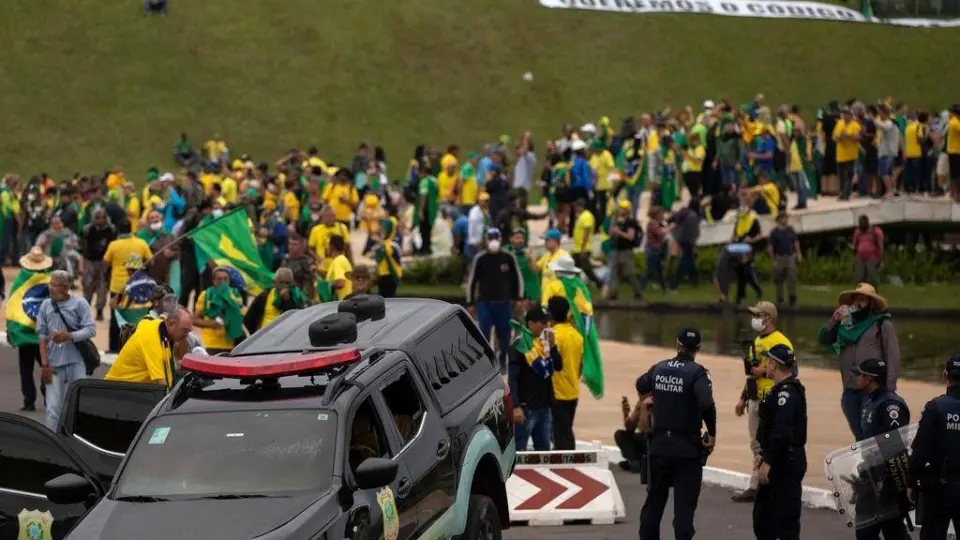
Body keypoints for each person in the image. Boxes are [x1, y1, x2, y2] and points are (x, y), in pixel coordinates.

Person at [636, 326, 716, 540]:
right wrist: (713, 433)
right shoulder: (698, 373)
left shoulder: (659, 368)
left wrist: (648, 403)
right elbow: (707, 404)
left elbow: (641, 383)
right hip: (686, 448)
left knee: (654, 504)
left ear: (677, 344)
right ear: (697, 349)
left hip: (659, 445)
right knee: (684, 509)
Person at [818, 283, 900, 441]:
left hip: (874, 390)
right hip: (850, 388)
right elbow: (824, 338)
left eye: (863, 300)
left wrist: (889, 389)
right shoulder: (844, 324)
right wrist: (834, 320)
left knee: (875, 435)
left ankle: (877, 465)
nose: (858, 303)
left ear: (871, 304)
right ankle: (866, 464)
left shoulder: (881, 324)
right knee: (860, 436)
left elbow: (893, 356)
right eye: (855, 299)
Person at [732, 301, 795, 503]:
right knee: (756, 443)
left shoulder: (780, 341)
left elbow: (792, 370)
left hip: (773, 397)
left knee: (771, 441)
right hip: (755, 398)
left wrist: (765, 371)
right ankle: (757, 482)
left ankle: (767, 482)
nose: (755, 319)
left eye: (758, 315)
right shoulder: (756, 342)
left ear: (768, 317)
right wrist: (743, 398)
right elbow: (751, 373)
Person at [851, 358, 911, 540]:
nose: (856, 379)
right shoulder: (869, 402)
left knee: (886, 532)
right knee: (871, 532)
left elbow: (895, 447)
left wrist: (886, 480)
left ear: (868, 378)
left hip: (887, 481)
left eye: (859, 375)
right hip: (870, 477)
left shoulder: (890, 405)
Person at [753, 344, 807, 540]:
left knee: (786, 521)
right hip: (776, 457)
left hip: (786, 462)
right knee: (762, 518)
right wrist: (762, 455)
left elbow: (781, 431)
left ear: (774, 364)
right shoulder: (777, 391)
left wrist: (767, 461)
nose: (765, 365)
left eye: (767, 361)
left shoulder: (787, 393)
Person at [36, 270, 96, 431]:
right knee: (53, 408)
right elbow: (41, 337)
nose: (50, 288)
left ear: (65, 288)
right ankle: (52, 443)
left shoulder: (80, 304)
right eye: (50, 284)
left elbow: (91, 330)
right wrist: (44, 365)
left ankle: (74, 441)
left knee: (76, 404)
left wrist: (69, 336)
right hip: (53, 365)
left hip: (77, 363)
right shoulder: (45, 305)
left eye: (54, 285)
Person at [908, 357, 960, 540]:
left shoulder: (935, 408)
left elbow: (920, 451)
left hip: (938, 488)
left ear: (945, 376)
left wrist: (911, 483)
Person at [466, 228, 523, 369]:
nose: (493, 242)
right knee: (483, 332)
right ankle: (486, 361)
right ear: (486, 241)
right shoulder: (480, 259)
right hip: (484, 303)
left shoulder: (508, 257)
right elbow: (472, 281)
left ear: (501, 239)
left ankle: (503, 357)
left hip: (504, 303)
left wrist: (518, 298)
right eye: (490, 239)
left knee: (505, 333)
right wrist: (470, 302)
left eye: (496, 238)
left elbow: (517, 279)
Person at [508, 305, 562, 452]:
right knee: (518, 451)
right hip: (526, 408)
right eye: (542, 323)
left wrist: (553, 346)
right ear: (531, 323)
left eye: (547, 323)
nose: (546, 326)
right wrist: (515, 406)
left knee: (544, 451)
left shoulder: (545, 345)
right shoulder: (519, 345)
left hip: (544, 407)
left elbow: (558, 366)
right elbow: (512, 378)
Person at [8, 248, 54, 412]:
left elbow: (12, 307)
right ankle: (49, 397)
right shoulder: (50, 279)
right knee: (46, 364)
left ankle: (29, 401)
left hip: (25, 333)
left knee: (26, 369)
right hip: (45, 334)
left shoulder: (20, 280)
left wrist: (11, 331)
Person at [106, 308, 193, 390]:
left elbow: (179, 358)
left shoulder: (163, 330)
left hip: (134, 388)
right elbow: (162, 385)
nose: (186, 335)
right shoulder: (152, 340)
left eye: (188, 331)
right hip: (117, 389)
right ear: (171, 323)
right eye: (184, 331)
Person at [102, 220, 153, 352]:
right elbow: (151, 260)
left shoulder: (114, 244)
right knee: (137, 316)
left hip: (117, 286)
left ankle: (114, 347)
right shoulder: (141, 243)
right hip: (140, 286)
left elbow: (105, 263)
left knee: (116, 317)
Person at [547, 296, 583, 451]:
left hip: (557, 391)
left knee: (561, 435)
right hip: (573, 390)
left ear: (550, 313)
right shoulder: (577, 336)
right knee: (567, 430)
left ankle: (566, 467)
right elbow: (580, 365)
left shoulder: (552, 336)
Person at [193, 266, 245, 354]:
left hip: (231, 345)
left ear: (229, 281)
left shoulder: (235, 295)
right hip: (210, 344)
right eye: (219, 279)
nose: (223, 282)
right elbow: (194, 320)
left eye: (225, 279)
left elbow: (242, 317)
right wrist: (211, 324)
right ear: (214, 281)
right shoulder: (206, 295)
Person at [78, 208, 116, 321]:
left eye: (103, 217)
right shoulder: (86, 230)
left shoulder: (111, 230)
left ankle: (99, 311)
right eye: (97, 217)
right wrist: (81, 264)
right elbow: (81, 247)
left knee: (102, 287)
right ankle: (85, 312)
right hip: (90, 261)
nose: (100, 220)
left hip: (105, 262)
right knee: (87, 285)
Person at [243, 267, 307, 333]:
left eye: (288, 283)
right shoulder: (264, 296)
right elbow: (249, 319)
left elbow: (297, 318)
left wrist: (287, 301)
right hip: (263, 334)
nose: (285, 286)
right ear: (274, 282)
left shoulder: (296, 296)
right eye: (282, 283)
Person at [604, 200, 643, 301]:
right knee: (614, 272)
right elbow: (611, 234)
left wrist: (619, 232)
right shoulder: (617, 221)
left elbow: (630, 236)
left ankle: (638, 292)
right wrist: (612, 230)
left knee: (629, 273)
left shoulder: (631, 222)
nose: (620, 210)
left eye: (622, 208)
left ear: (626, 210)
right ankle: (613, 294)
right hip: (616, 249)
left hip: (626, 250)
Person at [767, 212, 802, 307]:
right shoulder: (774, 232)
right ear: (779, 220)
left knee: (792, 278)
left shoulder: (791, 229)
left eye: (786, 218)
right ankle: (780, 300)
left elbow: (795, 241)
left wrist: (798, 253)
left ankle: (792, 299)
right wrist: (773, 260)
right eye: (783, 218)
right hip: (779, 257)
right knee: (779, 280)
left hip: (790, 256)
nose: (786, 220)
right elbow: (770, 247)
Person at [531, 227, 569, 306]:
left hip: (557, 299)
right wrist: (530, 257)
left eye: (547, 240)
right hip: (545, 299)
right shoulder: (546, 256)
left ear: (555, 241)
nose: (545, 242)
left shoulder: (563, 256)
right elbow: (535, 269)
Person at [570, 198, 602, 288]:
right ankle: (577, 286)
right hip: (578, 248)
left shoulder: (586, 216)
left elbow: (586, 232)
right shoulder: (581, 216)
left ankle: (599, 283)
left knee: (587, 269)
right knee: (574, 269)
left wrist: (583, 249)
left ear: (581, 206)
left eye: (577, 206)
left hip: (583, 248)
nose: (575, 208)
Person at [853, 215, 884, 289]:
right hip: (860, 257)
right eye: (860, 223)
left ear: (867, 223)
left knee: (872, 277)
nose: (861, 225)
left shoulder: (875, 231)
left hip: (872, 257)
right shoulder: (858, 232)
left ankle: (873, 293)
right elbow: (855, 245)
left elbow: (880, 245)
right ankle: (860, 293)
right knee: (859, 277)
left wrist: (880, 258)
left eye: (863, 223)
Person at [325, 235, 354, 301]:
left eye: (327, 245)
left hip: (339, 304)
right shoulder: (342, 259)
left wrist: (325, 285)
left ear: (331, 247)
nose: (326, 248)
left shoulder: (338, 261)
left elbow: (340, 282)